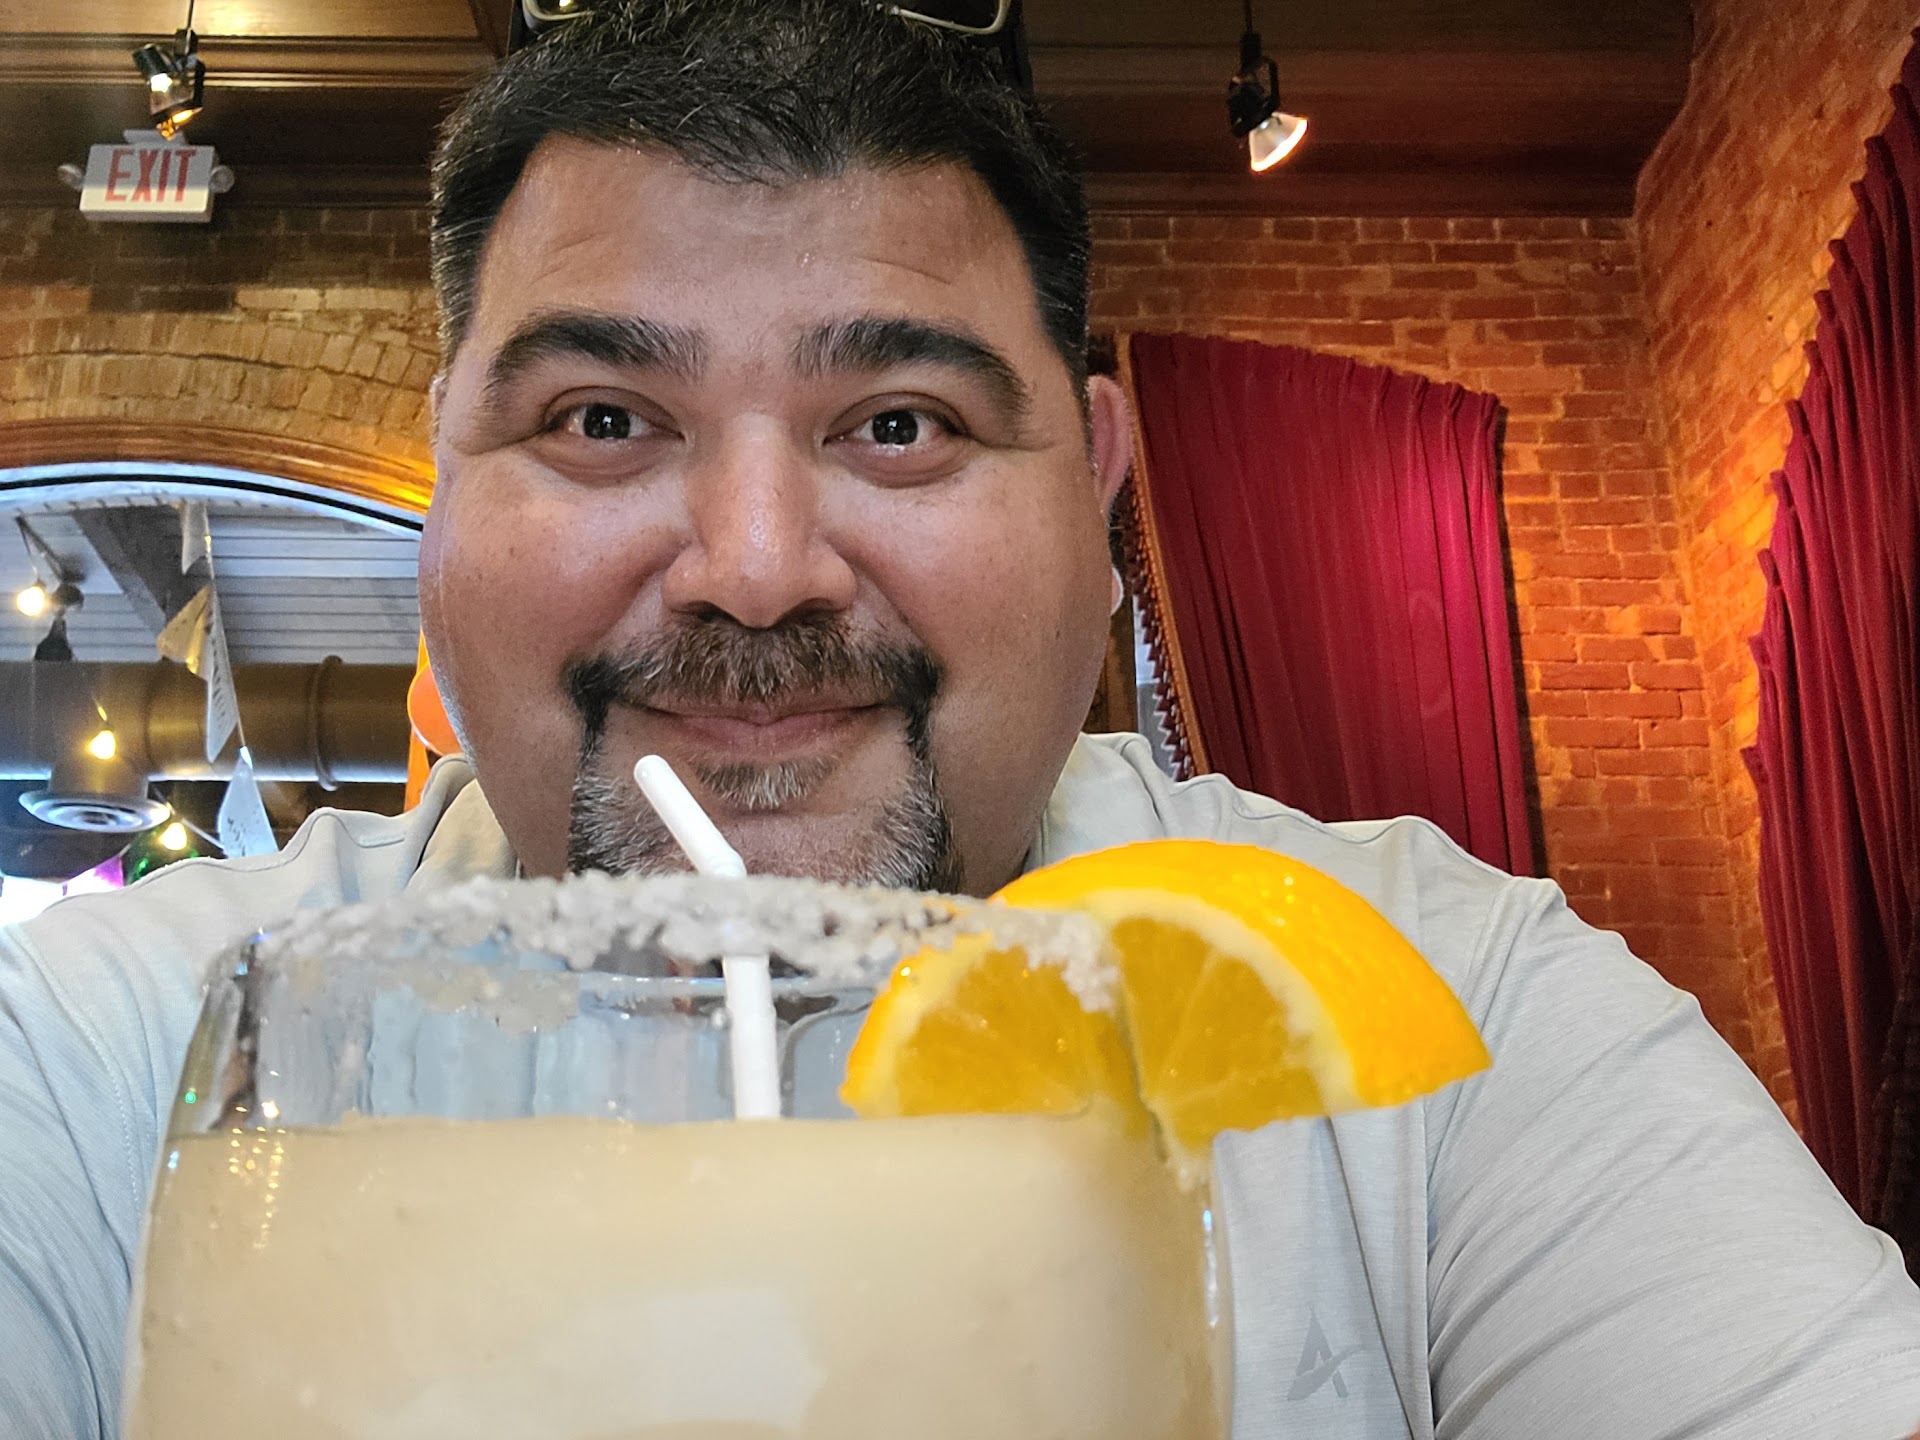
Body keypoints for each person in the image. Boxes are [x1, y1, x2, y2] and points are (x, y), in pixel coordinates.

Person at [4, 2, 1919, 1436]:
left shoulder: (1427, 1022)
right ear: (446, 487)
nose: (758, 569)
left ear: (1097, 486)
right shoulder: (113, 1053)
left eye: (900, 424)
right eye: (603, 419)